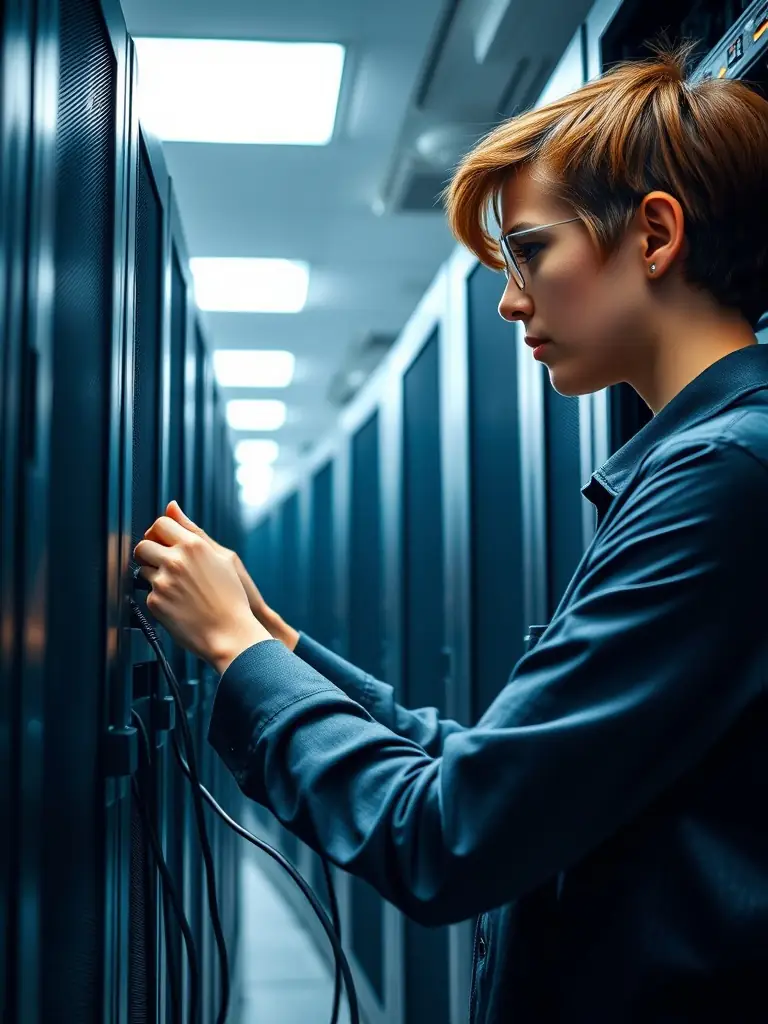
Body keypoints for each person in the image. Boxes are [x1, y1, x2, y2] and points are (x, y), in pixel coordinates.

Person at [133, 40, 768, 1023]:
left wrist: (237, 648)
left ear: (654, 234)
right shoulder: (701, 465)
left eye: (530, 252)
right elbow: (495, 768)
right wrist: (284, 648)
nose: (512, 299)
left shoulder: (723, 478)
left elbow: (451, 833)